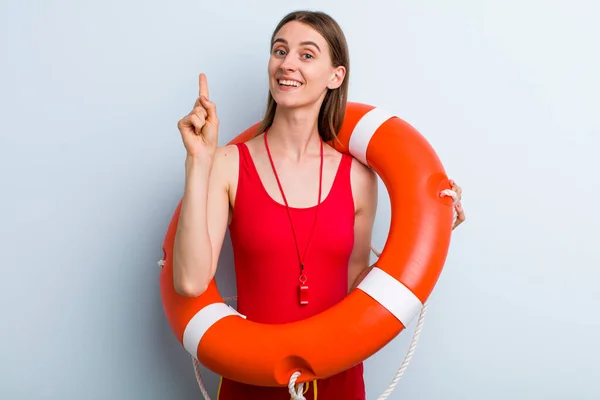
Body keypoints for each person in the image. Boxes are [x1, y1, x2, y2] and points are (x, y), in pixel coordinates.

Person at [172, 10, 466, 400]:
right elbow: (190, 282)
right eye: (280, 50)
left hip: (338, 377)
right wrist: (198, 160)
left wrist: (431, 231)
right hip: (253, 374)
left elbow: (355, 284)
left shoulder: (359, 178)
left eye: (306, 54)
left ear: (335, 76)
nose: (287, 63)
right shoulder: (228, 164)